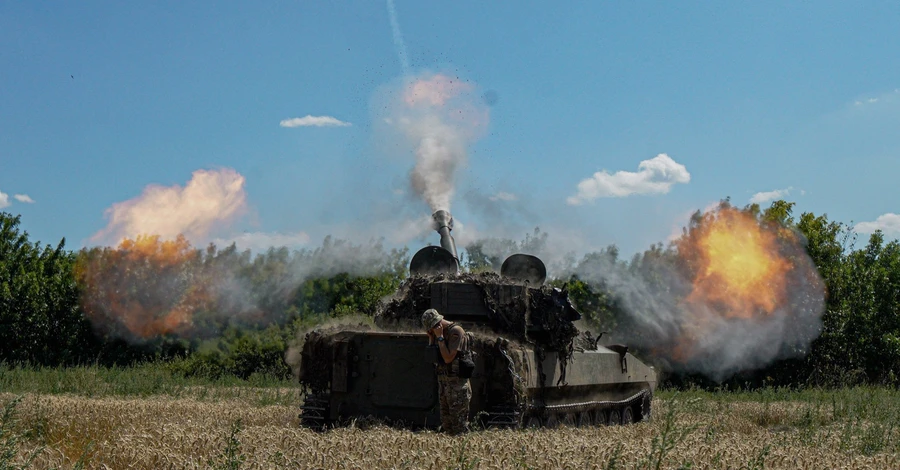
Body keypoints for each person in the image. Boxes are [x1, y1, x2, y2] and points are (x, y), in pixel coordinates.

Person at [421, 308, 471, 434]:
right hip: (444, 384)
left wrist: (440, 338)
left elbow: (448, 358)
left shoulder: (455, 331)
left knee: (459, 427)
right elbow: (432, 359)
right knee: (447, 426)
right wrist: (432, 339)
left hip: (457, 386)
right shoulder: (437, 335)